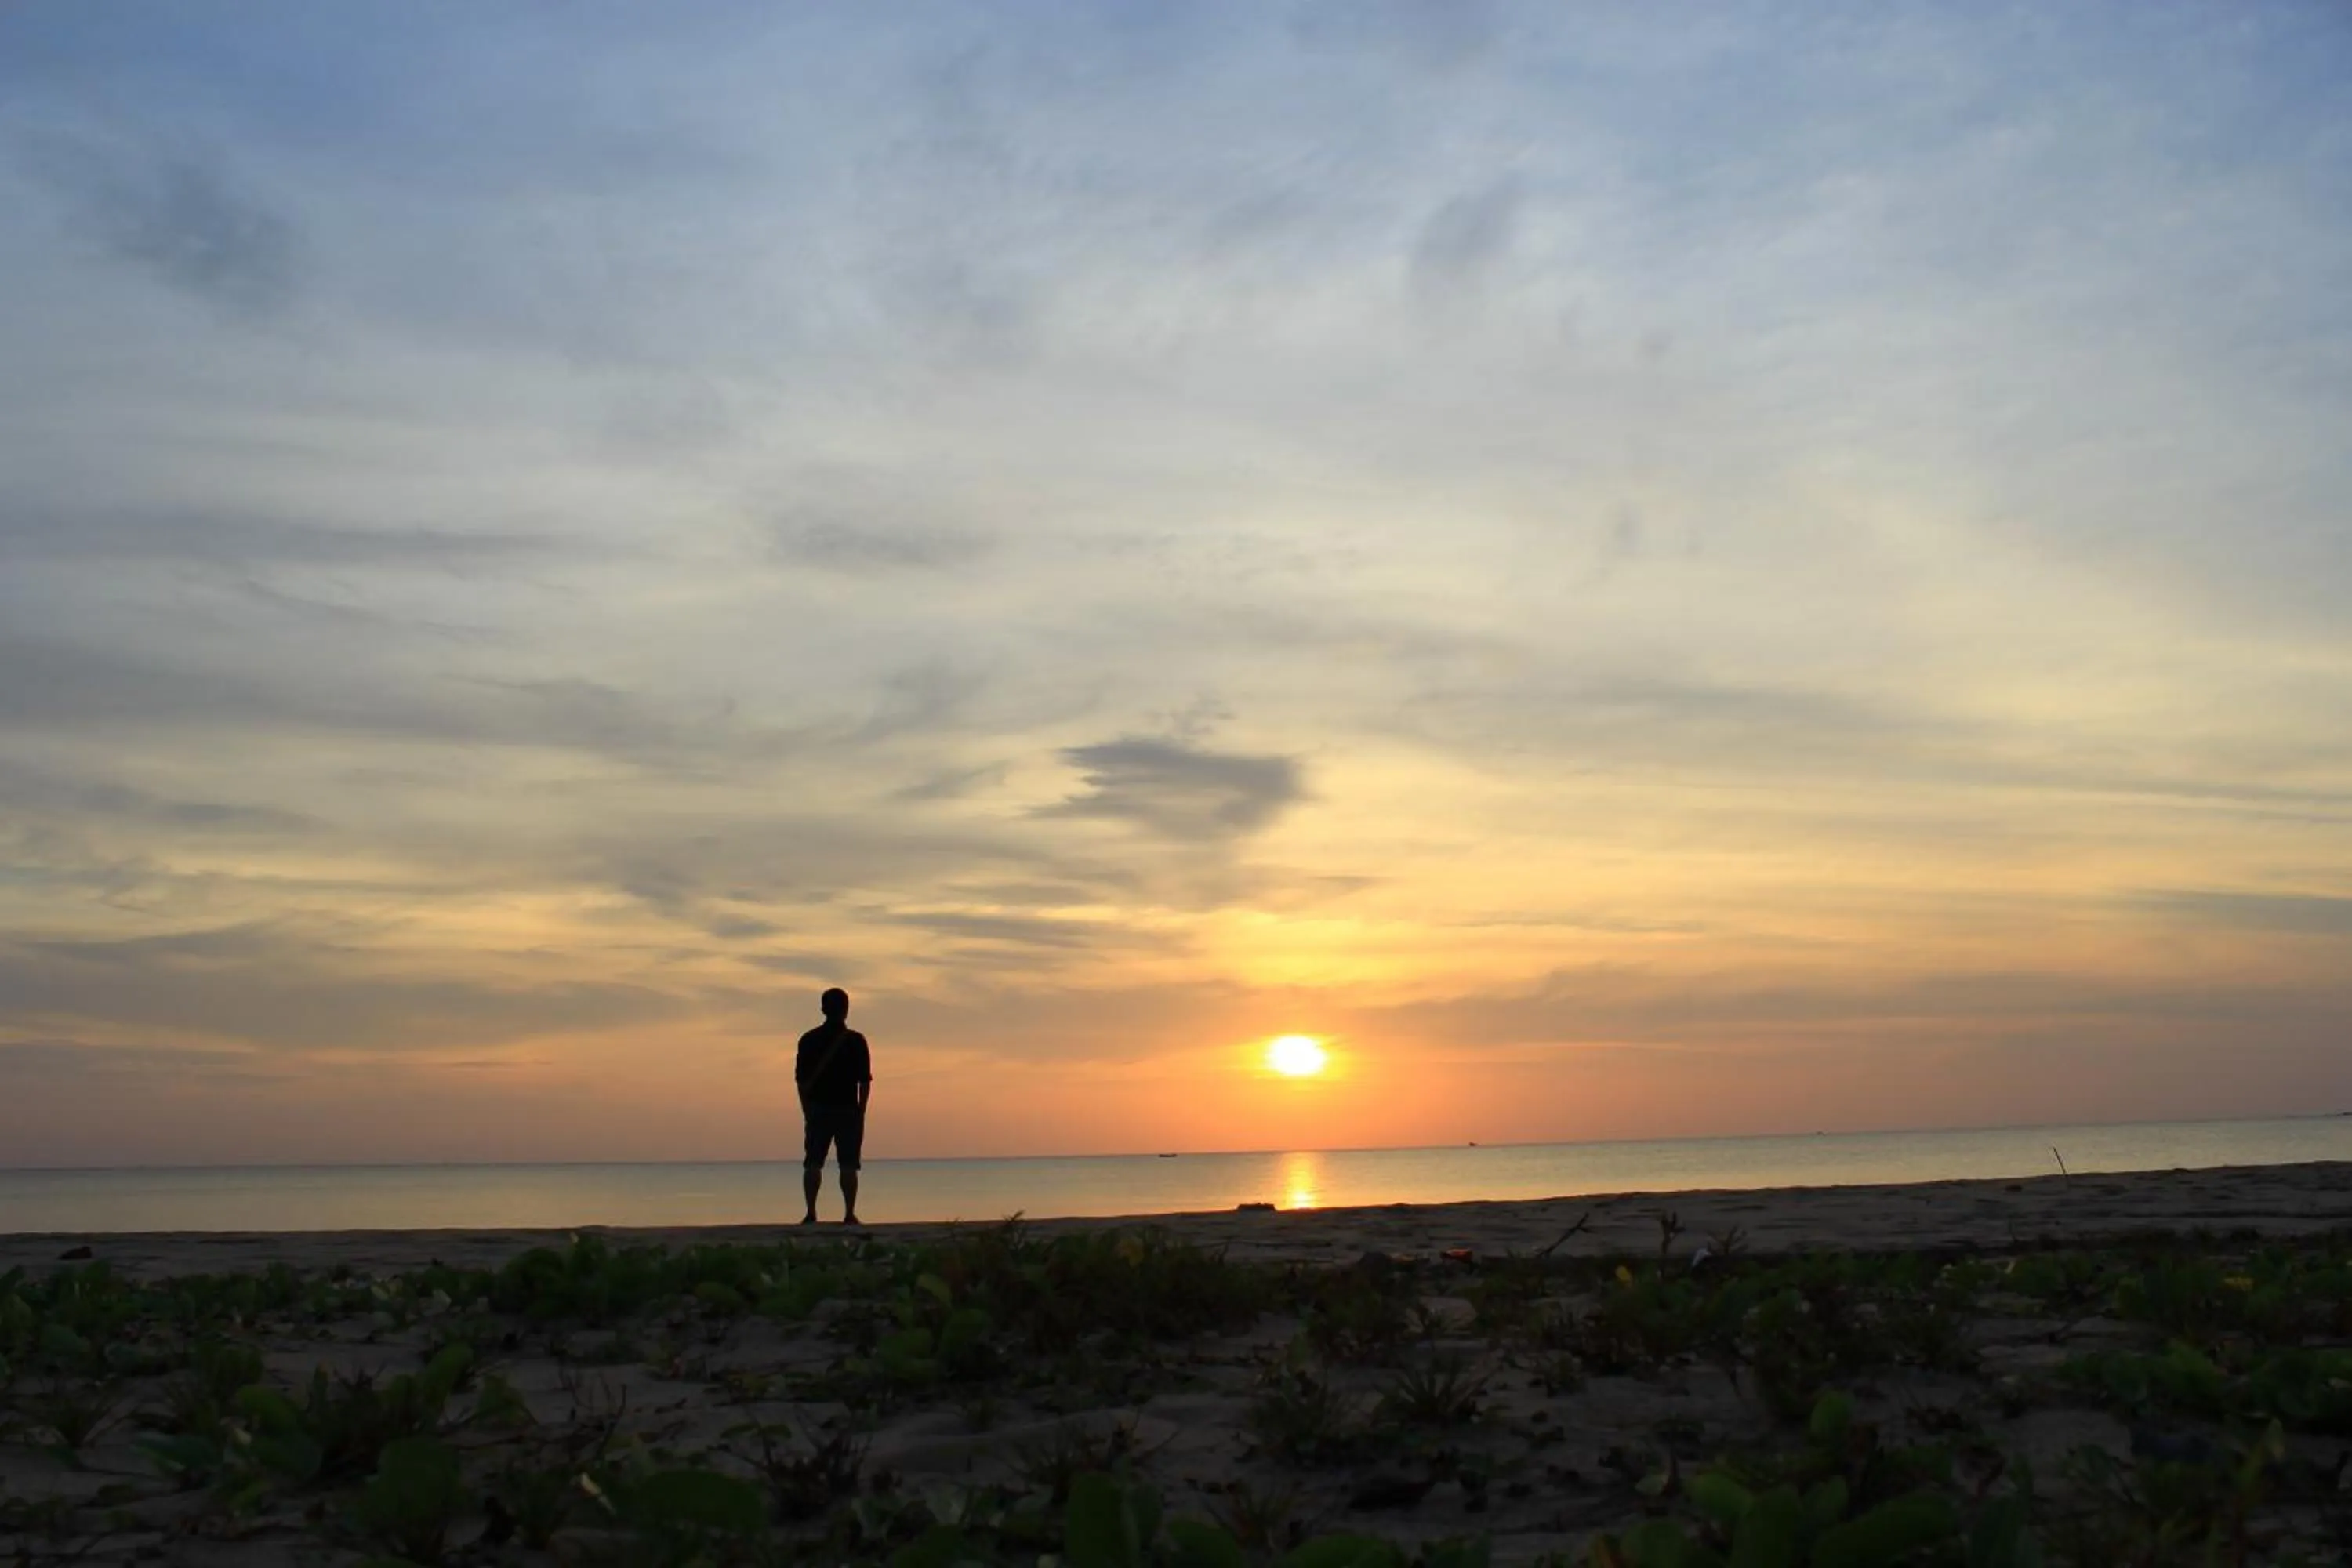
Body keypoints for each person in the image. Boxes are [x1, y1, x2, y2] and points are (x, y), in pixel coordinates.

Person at [796, 987, 872, 1225]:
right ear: (846, 1010)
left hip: (818, 1108)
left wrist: (806, 1108)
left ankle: (811, 1213)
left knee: (813, 1162)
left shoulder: (808, 1040)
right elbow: (865, 1081)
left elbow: (800, 1080)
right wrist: (861, 1111)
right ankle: (849, 1213)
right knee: (849, 1164)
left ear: (823, 1009)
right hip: (848, 1109)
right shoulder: (856, 1041)